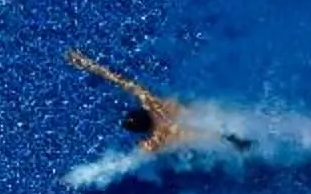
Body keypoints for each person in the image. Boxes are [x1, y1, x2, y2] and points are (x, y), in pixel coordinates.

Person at [67, 49, 249, 157]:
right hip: (191, 112)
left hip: (195, 132)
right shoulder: (150, 101)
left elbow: (139, 154)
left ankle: (235, 142)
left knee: (191, 135)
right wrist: (87, 63)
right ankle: (235, 140)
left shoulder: (159, 136)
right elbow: (118, 80)